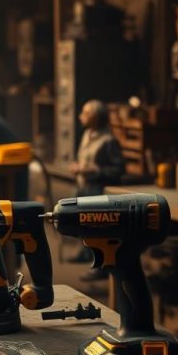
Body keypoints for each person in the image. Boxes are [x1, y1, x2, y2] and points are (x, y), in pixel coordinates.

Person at [68, 99, 125, 279]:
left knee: (97, 229)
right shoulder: (87, 134)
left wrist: (93, 171)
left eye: (85, 113)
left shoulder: (109, 141)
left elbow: (118, 169)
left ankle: (100, 266)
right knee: (82, 225)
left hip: (97, 189)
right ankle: (85, 254)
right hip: (83, 186)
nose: (81, 116)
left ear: (95, 117)